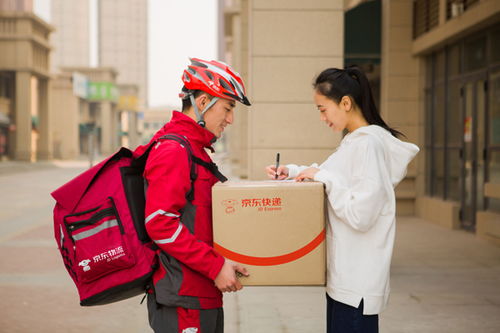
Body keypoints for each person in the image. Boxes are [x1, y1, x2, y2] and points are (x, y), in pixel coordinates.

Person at [265, 66, 419, 333]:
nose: (322, 118)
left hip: (356, 284)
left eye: (323, 109)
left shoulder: (368, 145)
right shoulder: (354, 142)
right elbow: (331, 174)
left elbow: (361, 213)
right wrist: (290, 171)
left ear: (346, 102)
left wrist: (324, 177)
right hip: (345, 280)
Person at [136, 58, 251, 333]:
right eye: (228, 107)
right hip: (184, 299)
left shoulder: (195, 149)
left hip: (200, 293)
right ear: (202, 103)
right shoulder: (174, 150)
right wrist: (214, 266)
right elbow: (160, 223)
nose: (230, 119)